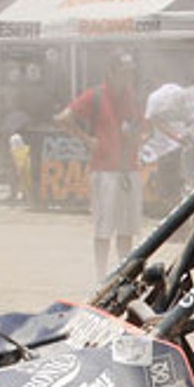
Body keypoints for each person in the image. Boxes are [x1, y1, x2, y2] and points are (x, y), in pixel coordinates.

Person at [58, 50, 145, 275]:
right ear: (112, 72)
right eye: (124, 73)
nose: (128, 77)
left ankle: (123, 274)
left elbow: (142, 127)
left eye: (130, 73)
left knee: (126, 229)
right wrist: (87, 139)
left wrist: (138, 138)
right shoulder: (96, 95)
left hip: (128, 169)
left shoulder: (132, 97)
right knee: (104, 229)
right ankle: (101, 275)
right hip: (105, 171)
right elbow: (63, 118)